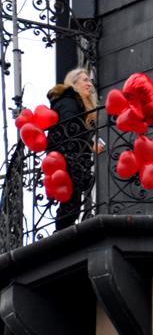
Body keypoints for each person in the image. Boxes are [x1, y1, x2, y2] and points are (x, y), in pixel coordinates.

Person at [47, 68, 98, 230]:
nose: (89, 84)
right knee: (71, 199)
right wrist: (90, 143)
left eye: (90, 81)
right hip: (68, 157)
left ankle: (62, 231)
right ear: (74, 82)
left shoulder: (70, 101)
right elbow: (71, 126)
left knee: (71, 200)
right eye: (85, 80)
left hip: (66, 156)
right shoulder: (70, 101)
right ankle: (61, 232)